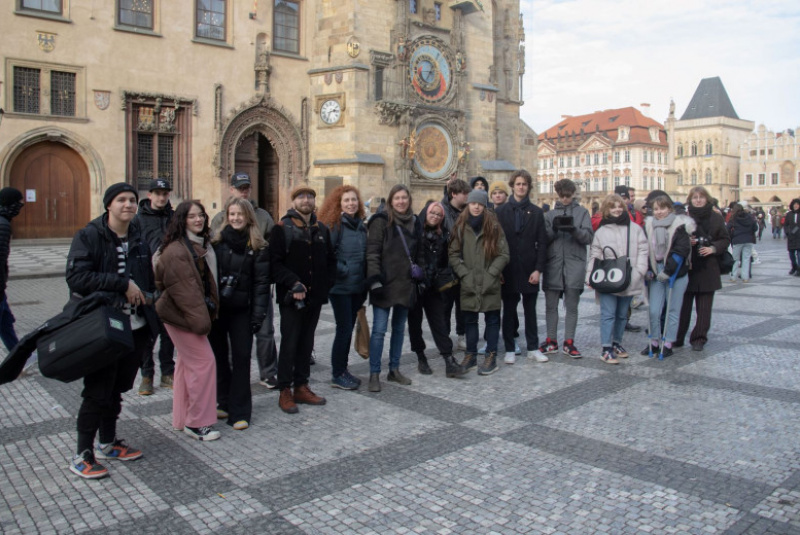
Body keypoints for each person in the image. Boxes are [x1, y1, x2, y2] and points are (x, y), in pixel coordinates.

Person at [66, 183, 159, 479]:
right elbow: (77, 277)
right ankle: (82, 454)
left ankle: (108, 441)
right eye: (121, 200)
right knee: (97, 391)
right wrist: (121, 285)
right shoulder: (90, 235)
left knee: (118, 388)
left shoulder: (139, 237)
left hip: (135, 327)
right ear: (109, 205)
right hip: (103, 327)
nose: (128, 205)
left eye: (132, 200)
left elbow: (146, 280)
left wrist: (149, 299)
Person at [155, 200, 221, 442]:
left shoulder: (195, 245)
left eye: (201, 215)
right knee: (204, 363)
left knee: (185, 364)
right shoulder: (178, 251)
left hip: (181, 315)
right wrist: (201, 323)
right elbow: (187, 294)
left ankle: (182, 418)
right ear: (182, 220)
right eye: (192, 216)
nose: (199, 220)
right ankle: (198, 422)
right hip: (182, 316)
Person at [270, 186, 335, 413]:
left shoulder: (321, 229)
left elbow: (330, 261)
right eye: (301, 197)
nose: (305, 200)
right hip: (291, 299)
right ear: (294, 201)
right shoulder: (282, 228)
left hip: (314, 298)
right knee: (289, 344)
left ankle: (301, 385)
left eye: (309, 197)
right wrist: (292, 282)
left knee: (307, 343)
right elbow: (274, 264)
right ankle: (284, 390)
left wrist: (325, 285)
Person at [211, 172, 279, 389]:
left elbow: (270, 247)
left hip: (257, 283)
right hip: (232, 289)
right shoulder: (221, 218)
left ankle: (268, 373)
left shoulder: (264, 216)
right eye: (240, 187)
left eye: (247, 187)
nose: (244, 191)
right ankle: (230, 372)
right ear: (231, 189)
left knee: (266, 332)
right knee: (233, 336)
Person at [209, 198, 270, 430]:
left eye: (240, 214)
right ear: (226, 216)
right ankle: (222, 401)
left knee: (242, 358)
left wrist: (258, 315)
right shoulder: (216, 242)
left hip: (242, 311)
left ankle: (241, 410)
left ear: (248, 217)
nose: (235, 218)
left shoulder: (258, 246)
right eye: (232, 214)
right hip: (218, 310)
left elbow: (262, 285)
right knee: (219, 357)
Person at [365, 184, 425, 392]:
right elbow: (372, 252)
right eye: (397, 198)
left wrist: (420, 276)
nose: (401, 201)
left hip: (405, 284)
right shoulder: (380, 222)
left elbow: (419, 253)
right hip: (384, 284)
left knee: (399, 330)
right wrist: (374, 280)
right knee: (379, 331)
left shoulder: (415, 222)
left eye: (404, 198)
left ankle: (394, 369)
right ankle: (374, 373)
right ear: (390, 201)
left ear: (409, 200)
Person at [449, 190, 509, 375]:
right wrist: (464, 274)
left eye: (480, 204)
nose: (476, 207)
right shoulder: (461, 225)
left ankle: (491, 356)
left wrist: (492, 273)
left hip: (490, 281)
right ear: (468, 204)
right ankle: (471, 355)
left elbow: (504, 254)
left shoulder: (494, 226)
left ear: (484, 206)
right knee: (470, 320)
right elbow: (452, 253)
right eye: (473, 203)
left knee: (492, 320)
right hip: (469, 281)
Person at [586, 194, 648, 364]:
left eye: (619, 206)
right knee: (608, 314)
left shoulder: (635, 229)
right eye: (612, 207)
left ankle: (617, 343)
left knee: (622, 315)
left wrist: (639, 271)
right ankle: (606, 348)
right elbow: (595, 254)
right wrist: (590, 276)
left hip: (629, 277)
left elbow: (643, 250)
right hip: (607, 277)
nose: (617, 209)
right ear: (606, 209)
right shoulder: (602, 231)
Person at [316, 185, 368, 390]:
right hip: (340, 287)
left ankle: (343, 370)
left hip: (357, 287)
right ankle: (338, 373)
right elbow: (327, 256)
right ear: (339, 204)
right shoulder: (334, 225)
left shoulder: (361, 226)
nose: (351, 203)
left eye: (354, 200)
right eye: (346, 200)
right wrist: (343, 269)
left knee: (347, 329)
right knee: (344, 329)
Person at [496, 169, 548, 363]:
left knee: (530, 310)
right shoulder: (500, 211)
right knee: (509, 310)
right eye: (518, 184)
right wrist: (498, 269)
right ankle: (510, 347)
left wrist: (538, 269)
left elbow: (542, 243)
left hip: (529, 268)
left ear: (528, 187)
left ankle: (533, 347)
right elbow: (495, 242)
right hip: (508, 268)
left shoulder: (536, 212)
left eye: (524, 184)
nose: (521, 187)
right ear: (512, 186)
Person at [408, 201, 465, 378]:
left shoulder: (444, 235)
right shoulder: (415, 232)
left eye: (439, 214)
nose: (435, 216)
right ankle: (421, 357)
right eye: (433, 213)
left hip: (434, 287)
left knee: (439, 323)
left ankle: (448, 360)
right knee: (415, 324)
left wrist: (441, 277)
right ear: (426, 213)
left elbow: (445, 261)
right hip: (415, 286)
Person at [541, 179, 593, 358]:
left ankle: (569, 341)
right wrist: (554, 230)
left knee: (572, 306)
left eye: (568, 196)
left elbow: (588, 237)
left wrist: (574, 230)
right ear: (557, 194)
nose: (564, 199)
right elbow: (543, 240)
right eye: (562, 196)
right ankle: (551, 340)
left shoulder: (582, 212)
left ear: (573, 194)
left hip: (574, 264)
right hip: (553, 264)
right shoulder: (549, 215)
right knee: (550, 306)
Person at [676, 186, 731, 351]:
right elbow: (675, 239)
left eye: (701, 197)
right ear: (690, 200)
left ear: (707, 199)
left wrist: (713, 248)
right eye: (695, 197)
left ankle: (699, 338)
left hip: (708, 267)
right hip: (688, 267)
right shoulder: (684, 217)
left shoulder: (716, 217)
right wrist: (688, 241)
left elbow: (725, 239)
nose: (698, 200)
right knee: (683, 306)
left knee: (704, 307)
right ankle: (677, 337)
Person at [135, 178, 175, 396]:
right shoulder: (138, 220)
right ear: (149, 194)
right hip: (147, 282)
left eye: (165, 193)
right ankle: (147, 375)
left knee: (169, 330)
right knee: (148, 332)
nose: (161, 197)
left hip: (169, 282)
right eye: (158, 193)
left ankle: (168, 372)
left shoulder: (173, 216)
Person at [641, 195, 693, 357]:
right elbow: (645, 249)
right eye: (656, 209)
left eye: (662, 208)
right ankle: (654, 340)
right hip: (656, 270)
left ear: (669, 209)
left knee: (672, 309)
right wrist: (648, 269)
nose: (659, 212)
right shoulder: (649, 226)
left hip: (675, 272)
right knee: (654, 310)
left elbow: (681, 250)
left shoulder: (679, 226)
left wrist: (668, 271)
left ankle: (668, 342)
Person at [0, 188, 23, 354]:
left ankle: (18, 356)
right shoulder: (3, 225)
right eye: (19, 203)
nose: (20, 207)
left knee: (6, 323)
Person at [727, 203, 757, 283]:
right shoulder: (749, 217)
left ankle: (733, 277)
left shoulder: (734, 218)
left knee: (735, 259)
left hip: (737, 240)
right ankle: (745, 277)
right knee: (746, 259)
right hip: (748, 240)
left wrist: (731, 235)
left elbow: (728, 228)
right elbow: (755, 227)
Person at [785, 199, 800, 275]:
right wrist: (787, 232)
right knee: (791, 254)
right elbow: (786, 225)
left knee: (799, 254)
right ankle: (794, 267)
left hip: (799, 237)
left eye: (797, 204)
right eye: (794, 204)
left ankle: (799, 270)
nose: (796, 205)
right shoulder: (789, 214)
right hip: (791, 237)